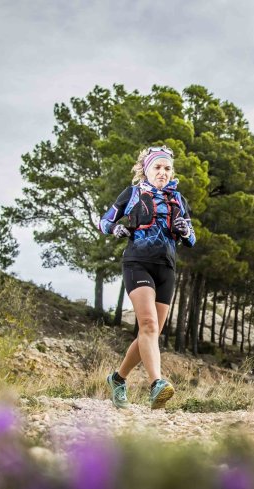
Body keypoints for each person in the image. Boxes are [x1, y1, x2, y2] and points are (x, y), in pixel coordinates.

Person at [98, 145, 195, 409]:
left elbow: (192, 239)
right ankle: (157, 384)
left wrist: (185, 231)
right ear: (146, 170)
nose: (162, 172)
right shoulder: (132, 194)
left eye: (166, 168)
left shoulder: (179, 200)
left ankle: (117, 379)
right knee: (149, 326)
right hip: (137, 263)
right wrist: (116, 228)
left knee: (149, 333)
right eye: (157, 167)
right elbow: (103, 221)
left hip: (167, 268)